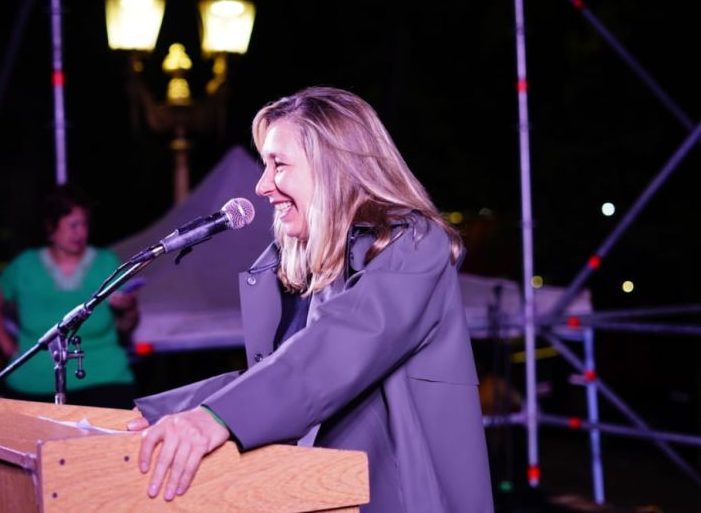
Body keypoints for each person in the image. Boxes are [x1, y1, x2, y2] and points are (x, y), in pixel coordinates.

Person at [125, 87, 493, 512]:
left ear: (334, 167)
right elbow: (280, 371)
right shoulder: (306, 267)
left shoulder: (413, 243)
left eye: (279, 165)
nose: (263, 186)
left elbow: (337, 351)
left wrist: (217, 418)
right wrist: (164, 413)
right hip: (328, 490)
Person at [0, 185, 139, 408]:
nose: (80, 232)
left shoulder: (107, 262)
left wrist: (129, 309)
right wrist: (8, 348)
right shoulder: (25, 265)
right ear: (51, 228)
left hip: (105, 379)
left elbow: (126, 327)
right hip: (32, 384)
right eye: (73, 225)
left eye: (84, 224)